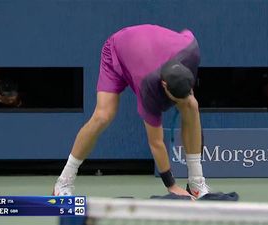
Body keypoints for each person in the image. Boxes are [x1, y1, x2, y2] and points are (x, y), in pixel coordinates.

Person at [53, 24, 210, 199]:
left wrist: (185, 98)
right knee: (102, 116)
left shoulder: (191, 50)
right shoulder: (148, 85)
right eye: (174, 99)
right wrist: (171, 185)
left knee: (191, 105)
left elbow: (185, 32)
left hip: (147, 47)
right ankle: (63, 182)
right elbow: (156, 142)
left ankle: (196, 182)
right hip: (117, 49)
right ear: (164, 85)